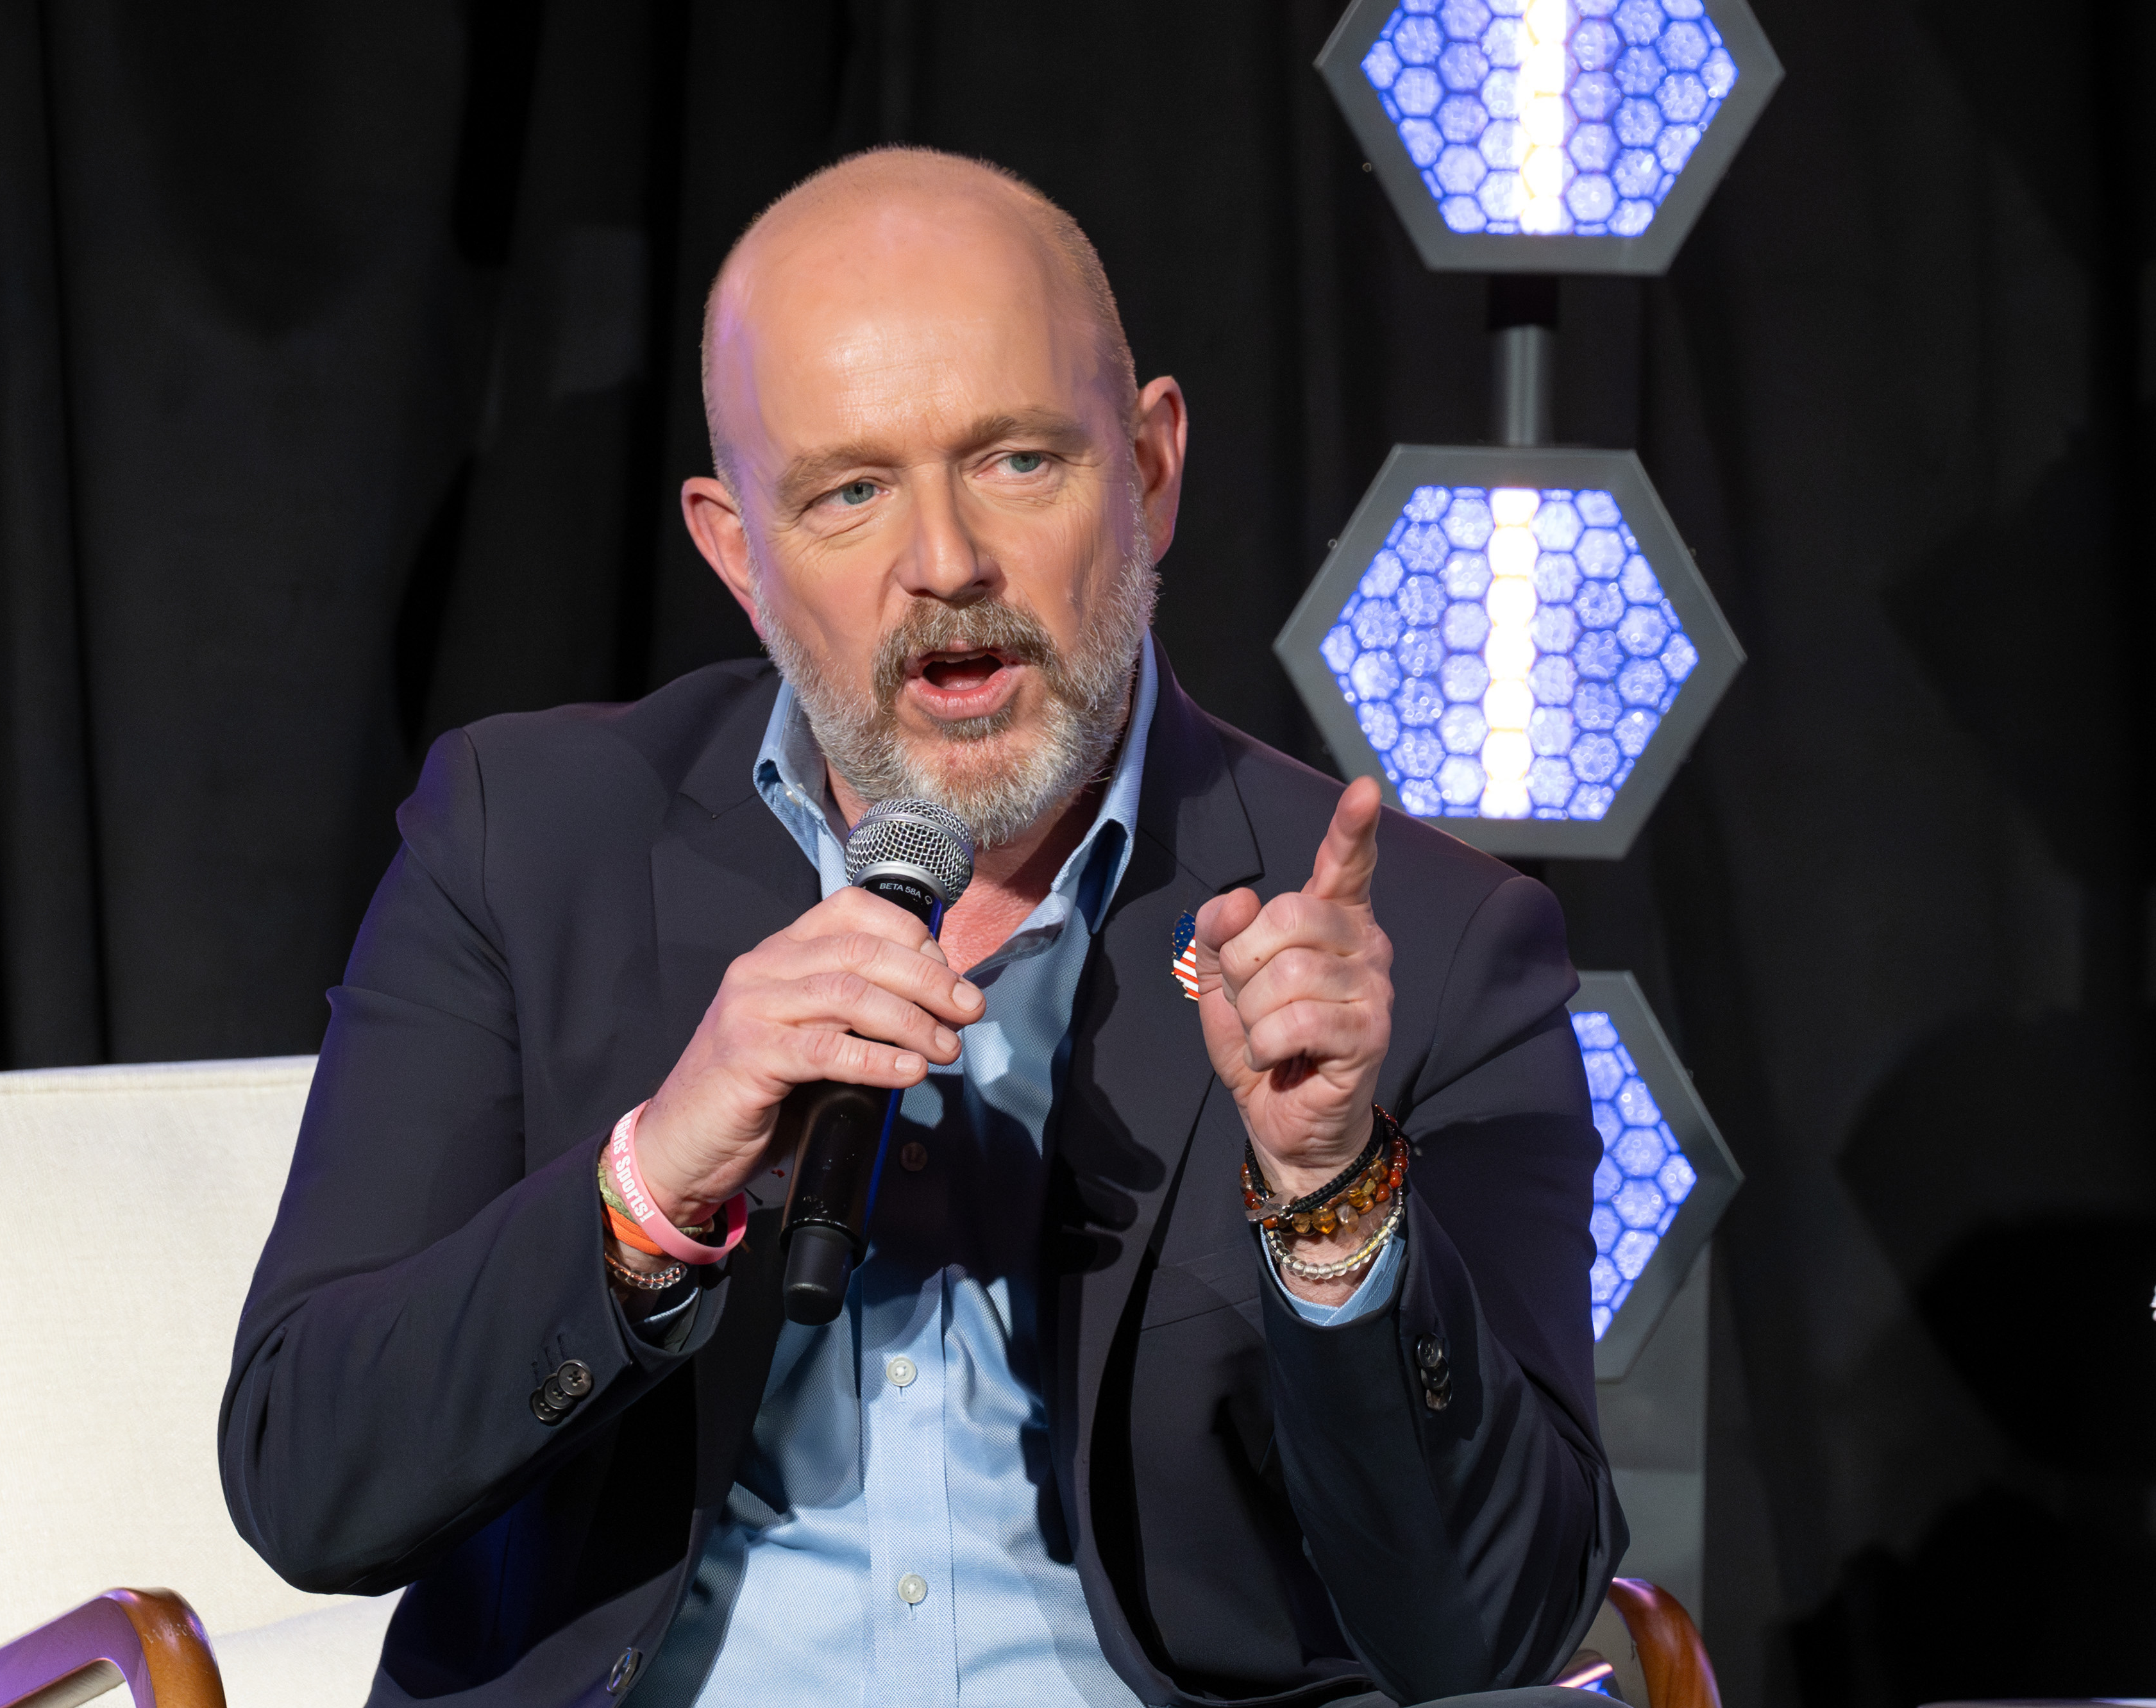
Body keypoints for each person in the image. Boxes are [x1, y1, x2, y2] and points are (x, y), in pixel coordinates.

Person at [221, 146, 1622, 1708]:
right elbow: (310, 1481)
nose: (943, 564)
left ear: (1150, 470)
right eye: (847, 492)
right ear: (734, 550)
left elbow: (1497, 1637)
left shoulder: (1413, 941)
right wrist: (653, 1181)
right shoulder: (525, 838)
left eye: (1018, 460)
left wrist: (1330, 1197)